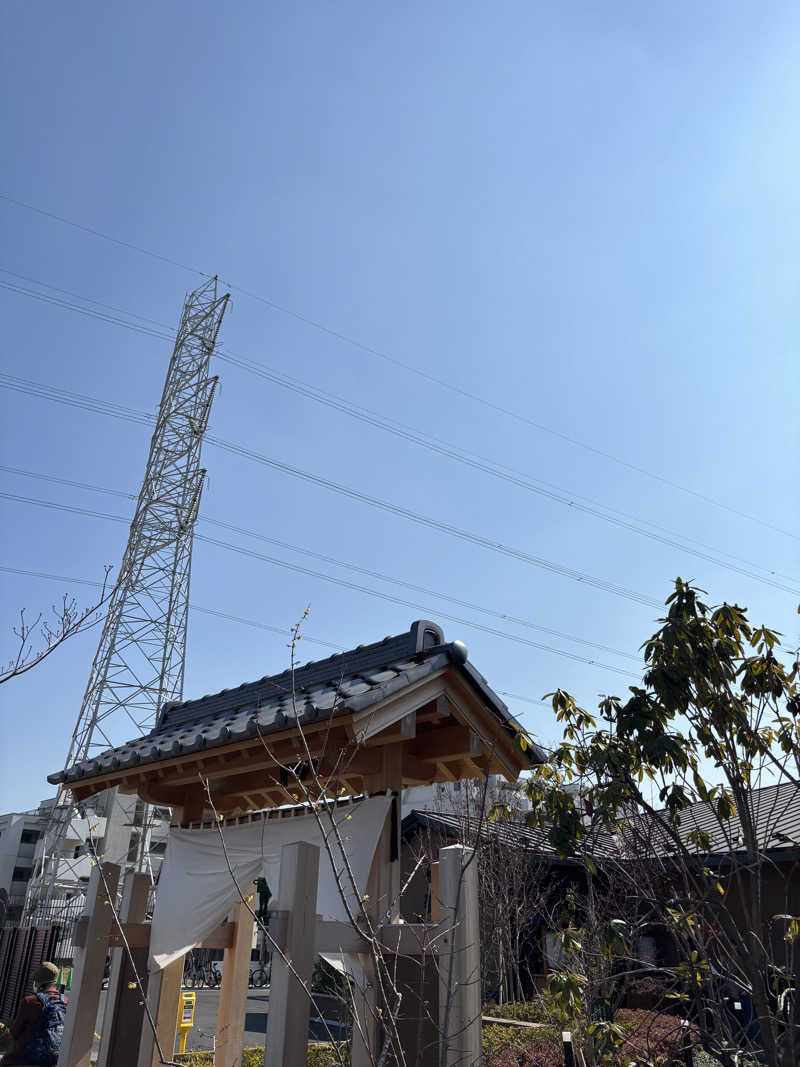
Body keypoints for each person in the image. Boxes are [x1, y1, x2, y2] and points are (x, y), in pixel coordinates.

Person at [0, 962, 66, 1066]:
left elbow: (14, 1033)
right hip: (53, 1058)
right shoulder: (65, 1001)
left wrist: (5, 1029)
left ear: (37, 983)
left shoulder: (30, 1001)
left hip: (25, 1058)